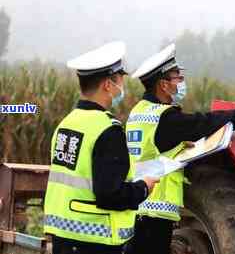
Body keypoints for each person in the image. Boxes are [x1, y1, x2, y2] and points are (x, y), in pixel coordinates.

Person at [125, 43, 235, 254]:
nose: (181, 83)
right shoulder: (166, 118)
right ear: (163, 85)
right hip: (155, 208)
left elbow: (154, 148)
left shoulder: (139, 112)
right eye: (177, 78)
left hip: (137, 205)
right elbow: (207, 122)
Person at [43, 41, 158, 254]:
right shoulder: (107, 129)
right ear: (108, 85)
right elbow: (109, 195)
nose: (122, 86)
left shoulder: (66, 123)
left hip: (63, 236)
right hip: (96, 240)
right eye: (121, 80)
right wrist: (143, 188)